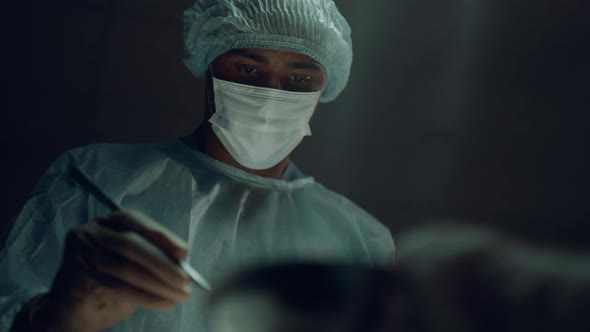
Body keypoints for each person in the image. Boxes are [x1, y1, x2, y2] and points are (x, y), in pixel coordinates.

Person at [0, 0, 395, 331]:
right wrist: (61, 317)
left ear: (323, 89)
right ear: (209, 63)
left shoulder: (358, 241)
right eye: (248, 70)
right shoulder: (94, 180)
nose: (270, 96)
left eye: (299, 79)